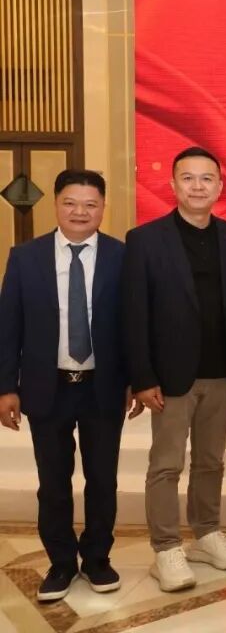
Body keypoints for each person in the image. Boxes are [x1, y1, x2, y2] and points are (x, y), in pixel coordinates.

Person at [123, 147, 226, 591]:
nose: (198, 186)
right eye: (189, 178)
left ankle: (207, 533)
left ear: (219, 186)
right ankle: (166, 548)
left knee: (211, 461)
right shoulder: (145, 239)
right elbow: (134, 314)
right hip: (170, 379)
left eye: (206, 178)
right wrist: (143, 378)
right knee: (166, 465)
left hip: (223, 375)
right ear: (173, 184)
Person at [0, 170, 127, 602]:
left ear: (103, 208)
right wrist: (6, 386)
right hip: (46, 386)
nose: (80, 212)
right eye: (71, 203)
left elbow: (133, 325)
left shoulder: (121, 256)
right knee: (53, 482)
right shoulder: (25, 257)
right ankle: (60, 562)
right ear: (55, 204)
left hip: (102, 387)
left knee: (102, 479)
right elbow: (8, 326)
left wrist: (135, 379)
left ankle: (97, 559)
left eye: (90, 204)